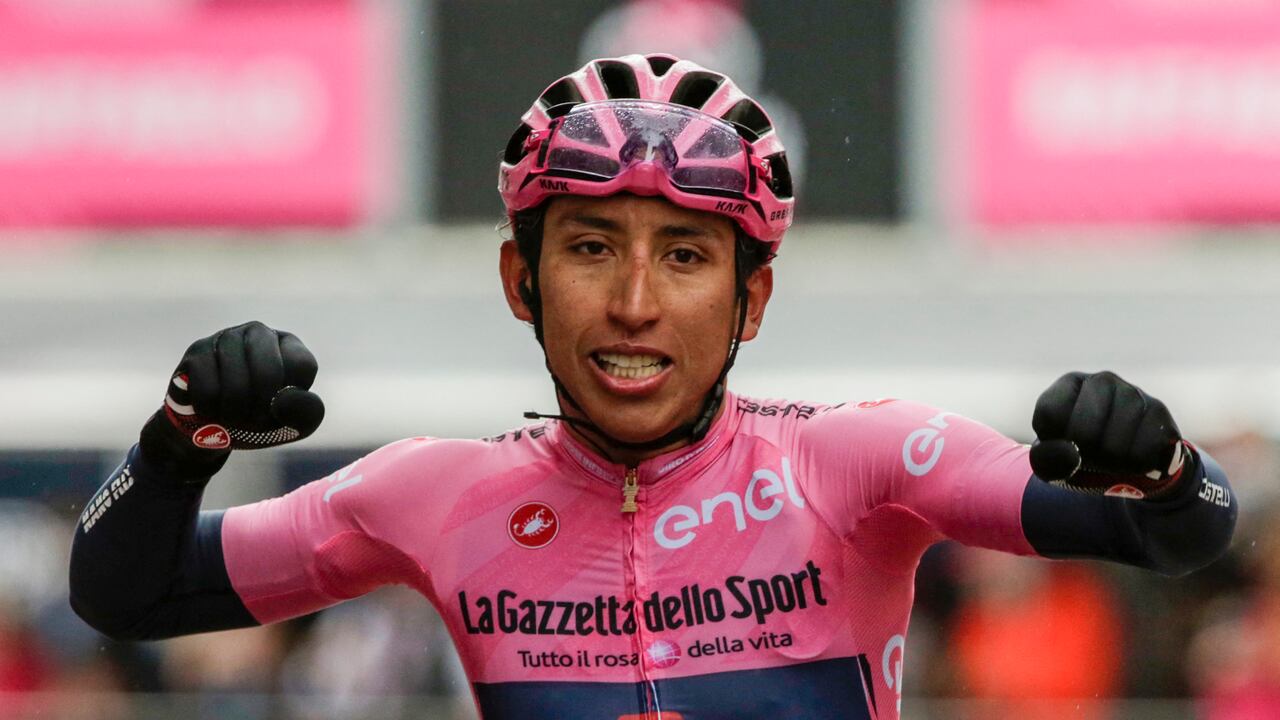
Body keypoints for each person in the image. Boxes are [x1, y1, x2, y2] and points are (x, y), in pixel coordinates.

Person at [69, 54, 1237, 720]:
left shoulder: (860, 466)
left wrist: (1164, 471)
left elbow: (1171, 539)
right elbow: (124, 594)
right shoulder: (432, 495)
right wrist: (181, 440)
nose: (633, 303)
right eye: (588, 248)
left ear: (751, 301)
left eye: (683, 257)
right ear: (519, 281)